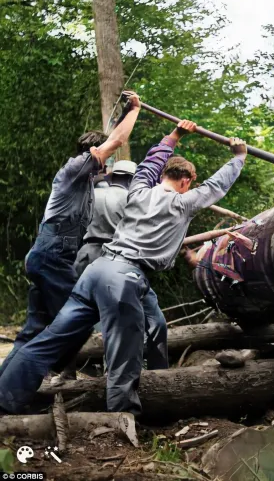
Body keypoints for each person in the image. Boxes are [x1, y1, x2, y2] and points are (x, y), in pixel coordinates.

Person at [0, 120, 247, 416]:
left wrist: (174, 136)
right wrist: (238, 157)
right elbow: (216, 185)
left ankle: (5, 399)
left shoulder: (139, 189)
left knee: (51, 339)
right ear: (186, 181)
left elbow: (150, 163)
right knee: (124, 354)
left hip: (96, 271)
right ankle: (121, 417)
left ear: (161, 175)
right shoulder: (184, 203)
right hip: (124, 278)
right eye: (191, 184)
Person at [0, 92, 142, 380]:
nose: (109, 163)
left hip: (50, 256)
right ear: (95, 154)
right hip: (51, 256)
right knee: (78, 319)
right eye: (106, 157)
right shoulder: (76, 167)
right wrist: (136, 110)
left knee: (33, 330)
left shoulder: (87, 179)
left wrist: (123, 112)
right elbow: (117, 140)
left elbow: (111, 136)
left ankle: (7, 385)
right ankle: (53, 369)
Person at [74, 160, 169, 370]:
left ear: (113, 176)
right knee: (141, 321)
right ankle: (153, 372)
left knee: (83, 315)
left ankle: (76, 368)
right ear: (132, 179)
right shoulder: (133, 198)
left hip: (84, 257)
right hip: (117, 261)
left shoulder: (90, 194)